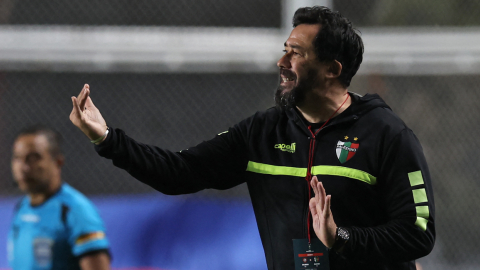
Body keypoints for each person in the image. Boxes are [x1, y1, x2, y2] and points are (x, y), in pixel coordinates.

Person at [69, 6, 435, 270]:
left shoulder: (388, 135)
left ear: (332, 69)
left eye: (297, 53)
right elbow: (178, 172)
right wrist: (107, 139)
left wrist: (342, 238)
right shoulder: (261, 133)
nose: (282, 62)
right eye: (284, 50)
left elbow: (418, 233)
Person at [8, 125, 111, 270]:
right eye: (18, 158)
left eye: (33, 158)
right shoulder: (21, 207)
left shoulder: (76, 210)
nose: (23, 167)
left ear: (58, 162)